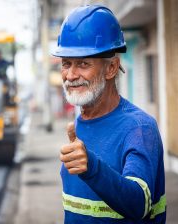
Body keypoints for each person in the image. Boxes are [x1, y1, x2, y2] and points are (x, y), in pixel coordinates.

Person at [52, 5, 166, 224]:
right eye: (66, 63)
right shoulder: (79, 125)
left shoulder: (139, 127)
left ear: (111, 68)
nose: (71, 75)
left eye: (83, 63)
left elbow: (139, 203)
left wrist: (92, 168)